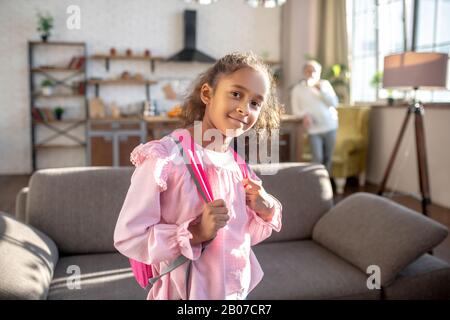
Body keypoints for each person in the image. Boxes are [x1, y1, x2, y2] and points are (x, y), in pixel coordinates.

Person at [113, 52, 283, 300]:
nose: (244, 108)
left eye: (255, 103)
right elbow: (129, 237)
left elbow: (241, 239)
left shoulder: (239, 167)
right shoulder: (165, 159)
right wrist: (196, 232)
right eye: (236, 94)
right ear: (207, 94)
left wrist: (265, 208)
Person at [291, 60, 339, 173]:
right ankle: (317, 186)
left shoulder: (325, 85)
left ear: (319, 72)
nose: (311, 74)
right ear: (304, 73)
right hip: (313, 130)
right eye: (308, 71)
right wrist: (305, 115)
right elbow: (296, 111)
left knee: (328, 158)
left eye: (314, 71)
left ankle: (326, 186)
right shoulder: (297, 90)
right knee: (317, 158)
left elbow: (334, 103)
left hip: (331, 126)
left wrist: (321, 91)